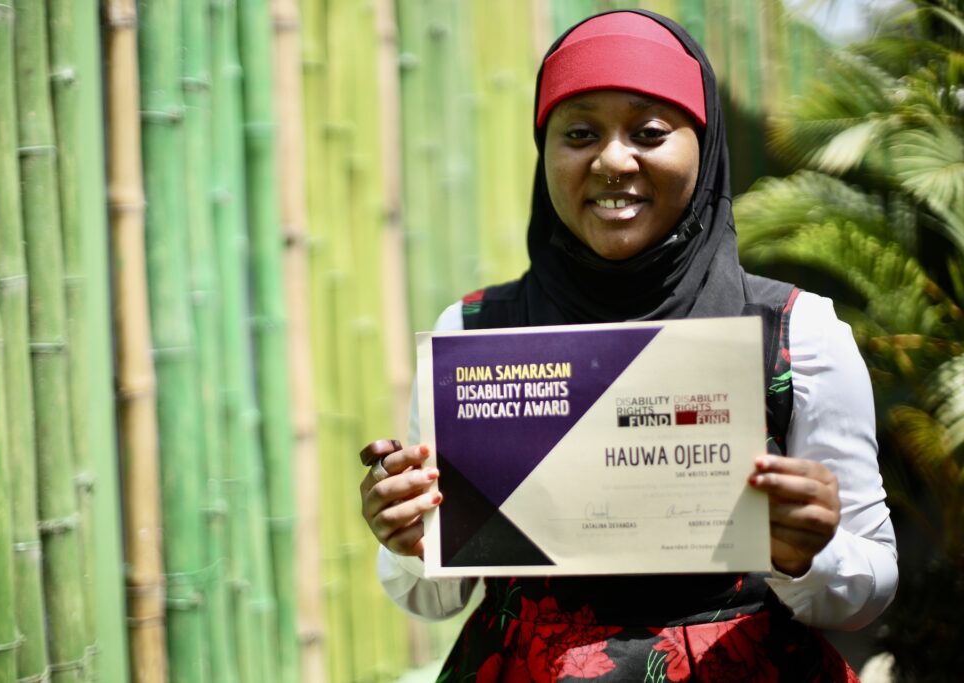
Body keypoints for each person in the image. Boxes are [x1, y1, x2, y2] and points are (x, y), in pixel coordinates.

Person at [358, 9, 898, 681]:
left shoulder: (797, 334)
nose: (613, 160)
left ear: (705, 148)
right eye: (579, 133)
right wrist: (411, 537)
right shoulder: (475, 335)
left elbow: (868, 587)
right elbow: (433, 595)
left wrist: (805, 552)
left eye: (649, 131)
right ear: (544, 150)